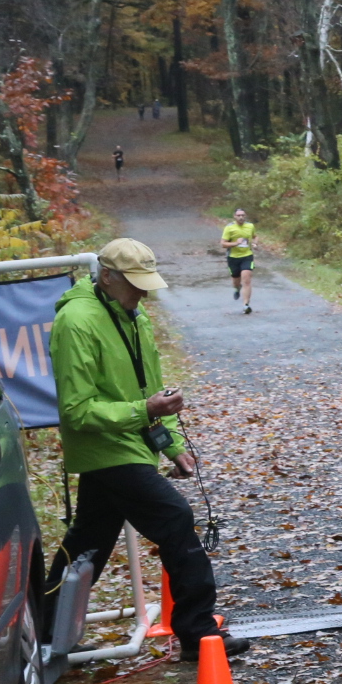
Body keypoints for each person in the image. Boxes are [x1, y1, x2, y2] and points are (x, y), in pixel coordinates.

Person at [50, 239, 249, 659]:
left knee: (88, 540)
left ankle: (44, 631)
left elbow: (153, 389)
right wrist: (145, 411)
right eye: (135, 283)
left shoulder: (133, 315)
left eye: (146, 283)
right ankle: (198, 633)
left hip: (133, 444)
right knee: (175, 517)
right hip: (106, 449)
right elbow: (77, 410)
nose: (143, 292)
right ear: (107, 277)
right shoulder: (76, 321)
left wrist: (173, 444)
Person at [222, 208, 257, 313]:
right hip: (233, 257)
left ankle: (246, 305)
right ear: (234, 216)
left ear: (245, 216)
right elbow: (223, 244)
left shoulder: (250, 226)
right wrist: (235, 243)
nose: (241, 217)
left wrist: (255, 243)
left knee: (246, 280)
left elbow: (255, 236)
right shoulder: (229, 228)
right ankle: (237, 288)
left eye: (243, 215)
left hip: (247, 256)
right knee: (236, 281)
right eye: (238, 215)